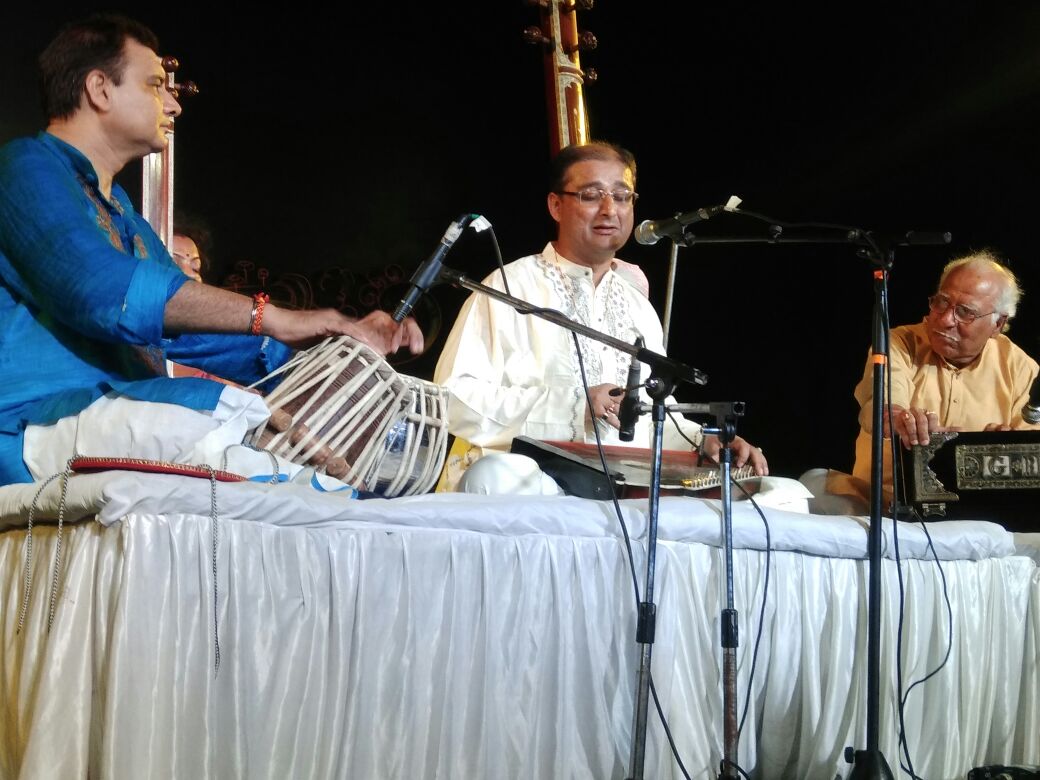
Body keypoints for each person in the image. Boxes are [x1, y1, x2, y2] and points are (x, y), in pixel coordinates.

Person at [0, 14, 420, 484]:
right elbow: (98, 288)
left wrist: (336, 346)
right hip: (37, 424)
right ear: (99, 89)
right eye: (154, 85)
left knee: (316, 478)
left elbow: (185, 331)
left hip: (125, 423)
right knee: (254, 449)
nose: (173, 104)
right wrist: (279, 318)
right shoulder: (23, 168)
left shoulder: (123, 215)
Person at [433, 141, 769, 493]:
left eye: (622, 197)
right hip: (531, 484)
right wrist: (573, 407)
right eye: (591, 196)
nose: (610, 210)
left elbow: (651, 419)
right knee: (497, 476)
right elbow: (452, 398)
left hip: (619, 491)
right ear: (556, 205)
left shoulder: (637, 307)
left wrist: (705, 441)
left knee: (778, 493)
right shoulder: (509, 286)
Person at [815, 250, 1040, 511]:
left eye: (965, 312)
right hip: (887, 506)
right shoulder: (898, 343)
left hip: (979, 515)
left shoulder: (1019, 367)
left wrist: (1005, 450)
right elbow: (879, 404)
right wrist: (896, 418)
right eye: (942, 303)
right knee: (814, 484)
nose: (945, 320)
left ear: (998, 324)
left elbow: (1032, 453)